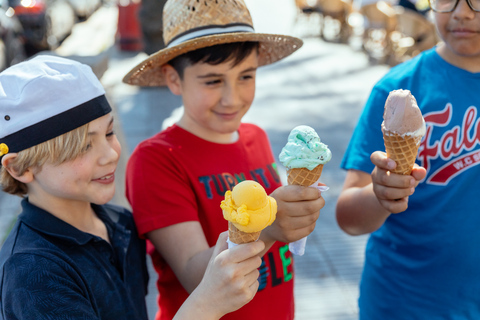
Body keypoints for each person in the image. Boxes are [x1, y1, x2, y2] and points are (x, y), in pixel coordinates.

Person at [0, 55, 266, 320]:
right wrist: (205, 305)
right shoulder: (32, 272)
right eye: (83, 146)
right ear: (20, 168)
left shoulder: (123, 225)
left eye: (108, 133)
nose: (110, 155)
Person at [122, 0, 325, 319]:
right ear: (173, 79)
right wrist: (269, 226)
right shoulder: (155, 160)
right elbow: (193, 273)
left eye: (246, 76)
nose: (232, 97)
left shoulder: (256, 136)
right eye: (213, 81)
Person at [336, 0, 480, 318]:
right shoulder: (398, 92)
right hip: (404, 301)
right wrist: (380, 194)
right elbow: (347, 216)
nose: (462, 12)